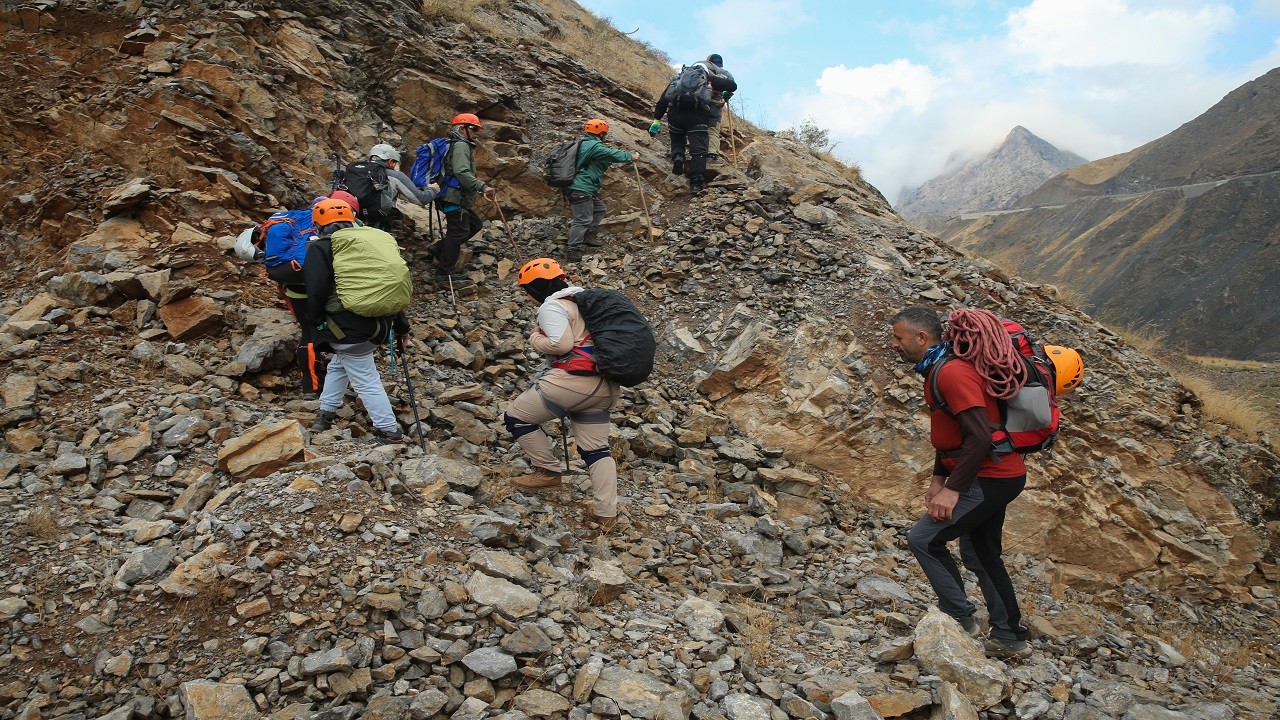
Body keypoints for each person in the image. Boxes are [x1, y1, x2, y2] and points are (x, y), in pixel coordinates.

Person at [888, 305, 1031, 659]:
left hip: (992, 476)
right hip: (996, 473)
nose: (893, 344)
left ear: (921, 338)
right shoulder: (936, 370)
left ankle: (959, 616)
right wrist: (939, 477)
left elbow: (979, 437)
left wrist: (953, 490)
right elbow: (952, 433)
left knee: (923, 539)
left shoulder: (951, 373)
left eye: (898, 337)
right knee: (980, 553)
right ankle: (1009, 634)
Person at [504, 258, 621, 531]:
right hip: (606, 386)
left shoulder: (552, 306)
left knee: (516, 418)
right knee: (596, 450)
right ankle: (606, 514)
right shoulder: (587, 303)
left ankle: (547, 471)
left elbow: (560, 344)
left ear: (534, 289)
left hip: (572, 382)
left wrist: (535, 338)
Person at [303, 198, 410, 443]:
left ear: (318, 224)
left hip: (347, 326)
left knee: (365, 378)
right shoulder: (367, 245)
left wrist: (317, 321)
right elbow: (386, 288)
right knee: (341, 364)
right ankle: (326, 414)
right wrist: (402, 326)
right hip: (380, 323)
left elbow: (316, 290)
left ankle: (389, 431)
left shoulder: (321, 247)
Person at [253, 191, 357, 395]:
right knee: (336, 331)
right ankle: (344, 382)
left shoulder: (290, 221)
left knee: (307, 333)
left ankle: (310, 387)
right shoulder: (334, 224)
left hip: (294, 286)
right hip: (323, 287)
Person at [650, 58, 737, 196]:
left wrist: (656, 120)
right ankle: (696, 183)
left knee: (677, 140)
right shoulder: (708, 78)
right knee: (699, 151)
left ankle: (678, 156)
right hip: (698, 117)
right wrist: (724, 92)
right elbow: (732, 85)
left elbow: (663, 101)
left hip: (675, 116)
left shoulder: (677, 79)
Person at [434, 113, 497, 289]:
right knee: (457, 233)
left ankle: (439, 249)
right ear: (462, 129)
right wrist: (482, 187)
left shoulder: (458, 144)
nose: (477, 133)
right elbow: (461, 172)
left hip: (454, 196)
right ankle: (444, 273)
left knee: (474, 224)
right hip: (455, 196)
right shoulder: (461, 145)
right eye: (474, 129)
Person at [564, 119, 634, 260]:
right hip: (581, 187)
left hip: (582, 187)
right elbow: (612, 154)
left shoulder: (584, 144)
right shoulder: (594, 146)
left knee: (600, 208)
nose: (605, 136)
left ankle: (587, 235)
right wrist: (630, 156)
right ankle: (572, 249)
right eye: (604, 133)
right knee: (582, 219)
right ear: (601, 133)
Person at [368, 143, 438, 227]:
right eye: (394, 163)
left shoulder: (358, 171)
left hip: (356, 221)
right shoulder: (396, 175)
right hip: (380, 223)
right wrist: (433, 189)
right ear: (390, 161)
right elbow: (421, 199)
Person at [695, 54, 735, 163]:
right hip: (716, 104)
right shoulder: (725, 73)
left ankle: (698, 153)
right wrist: (724, 97)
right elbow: (731, 87)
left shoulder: (703, 68)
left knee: (698, 127)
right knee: (713, 130)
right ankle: (712, 154)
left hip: (701, 102)